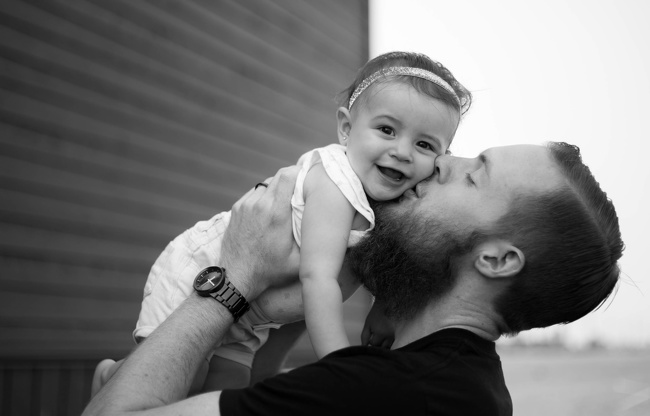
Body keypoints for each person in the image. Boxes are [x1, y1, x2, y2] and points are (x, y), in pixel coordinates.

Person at [73, 141, 624, 416]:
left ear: (497, 260)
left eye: (471, 174)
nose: (438, 162)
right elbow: (259, 401)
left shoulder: (392, 394)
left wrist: (233, 278)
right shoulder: (461, 391)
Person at [91, 51, 473, 395]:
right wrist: (338, 361)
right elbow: (318, 277)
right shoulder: (335, 183)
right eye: (387, 130)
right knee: (180, 380)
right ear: (346, 128)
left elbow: (388, 258)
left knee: (225, 392)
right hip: (201, 273)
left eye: (425, 145)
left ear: (442, 157)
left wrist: (385, 307)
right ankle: (113, 378)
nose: (402, 152)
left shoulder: (393, 198)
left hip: (249, 317)